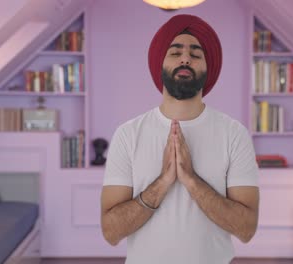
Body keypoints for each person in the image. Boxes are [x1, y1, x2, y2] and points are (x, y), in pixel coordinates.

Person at [100, 14, 259, 264]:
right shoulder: (128, 134)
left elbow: (246, 229)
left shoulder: (234, 134)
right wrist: (163, 182)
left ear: (208, 68)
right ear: (159, 63)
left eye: (195, 54)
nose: (185, 58)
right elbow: (111, 232)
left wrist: (191, 180)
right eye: (175, 53)